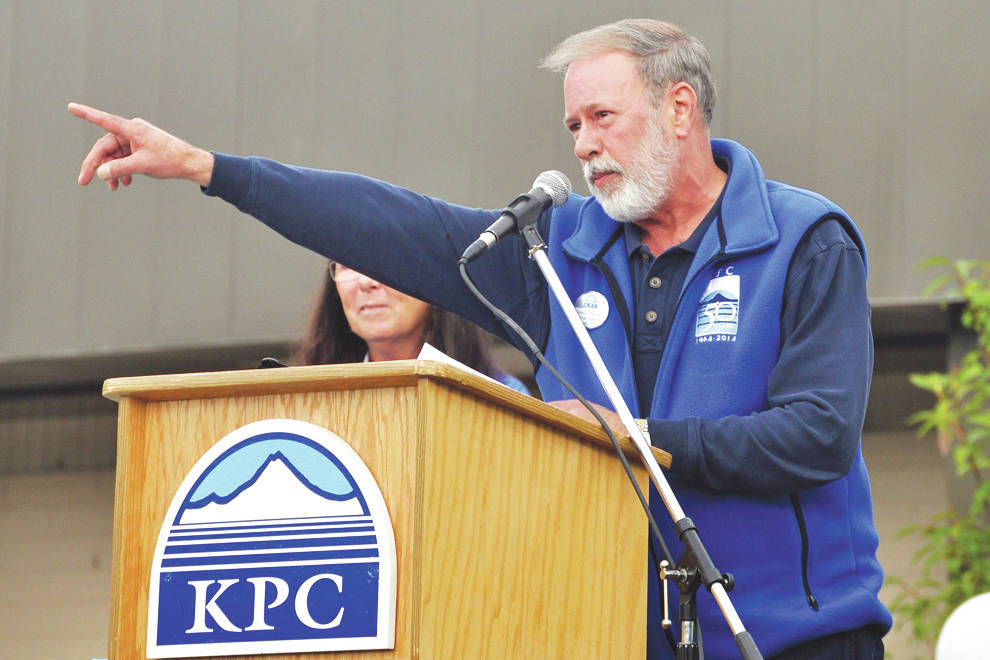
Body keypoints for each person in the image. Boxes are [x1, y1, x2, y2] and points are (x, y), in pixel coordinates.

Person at [69, 17, 891, 659]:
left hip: (795, 639)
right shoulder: (555, 251)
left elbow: (816, 436)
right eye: (573, 125)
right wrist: (211, 168)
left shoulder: (802, 239)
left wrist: (629, 440)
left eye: (603, 116)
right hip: (609, 638)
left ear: (681, 108)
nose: (581, 146)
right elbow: (389, 224)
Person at [293, 259, 529, 394]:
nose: (366, 282)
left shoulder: (503, 397)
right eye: (348, 264)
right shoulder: (308, 398)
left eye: (386, 259)